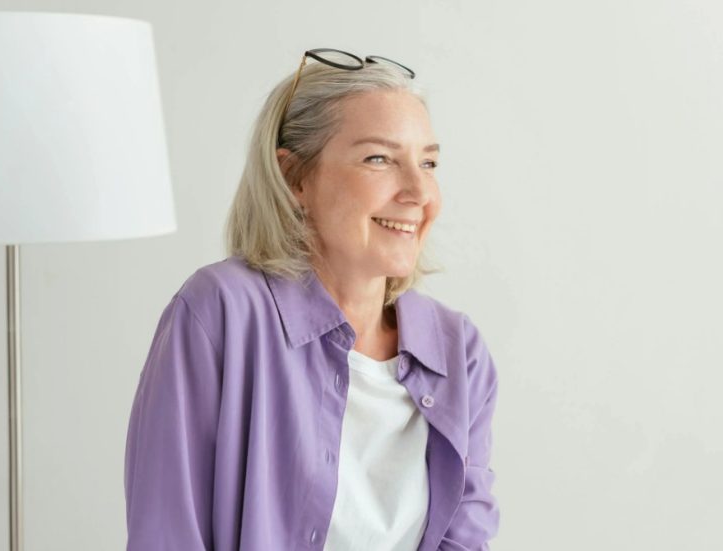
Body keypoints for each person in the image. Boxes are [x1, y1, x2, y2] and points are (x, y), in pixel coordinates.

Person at [124, 48, 500, 551]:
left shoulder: (458, 351)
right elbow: (167, 532)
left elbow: (466, 536)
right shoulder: (222, 313)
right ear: (295, 178)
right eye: (379, 159)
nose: (418, 192)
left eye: (428, 162)